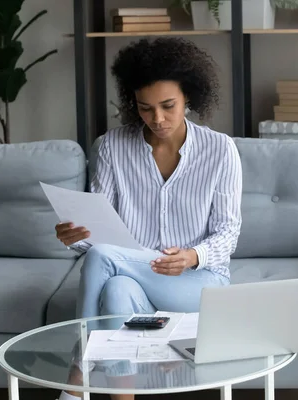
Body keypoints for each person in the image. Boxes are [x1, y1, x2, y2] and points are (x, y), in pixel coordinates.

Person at [55, 37, 243, 400]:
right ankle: (123, 397)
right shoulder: (112, 147)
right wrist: (74, 235)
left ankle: (77, 379)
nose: (157, 119)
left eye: (168, 106)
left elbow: (228, 233)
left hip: (199, 283)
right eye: (145, 108)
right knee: (116, 289)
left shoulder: (220, 150)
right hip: (134, 282)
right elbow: (96, 231)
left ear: (189, 97)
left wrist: (191, 256)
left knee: (102, 257)